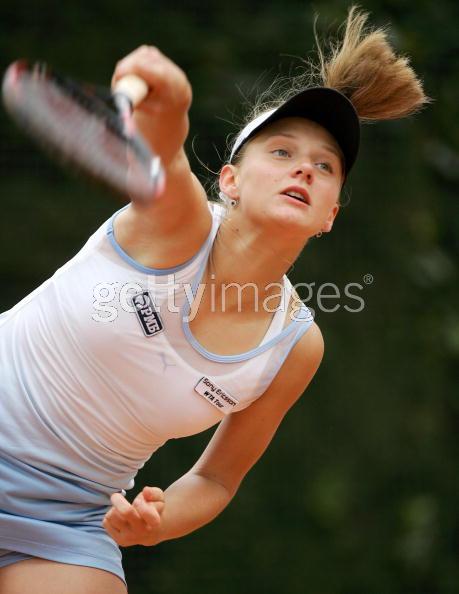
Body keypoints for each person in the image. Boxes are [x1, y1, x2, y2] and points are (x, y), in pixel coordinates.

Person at [0, 7, 429, 593]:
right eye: (281, 152)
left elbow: (218, 479)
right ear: (229, 180)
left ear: (330, 213)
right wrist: (171, 107)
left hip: (71, 514)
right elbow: (163, 150)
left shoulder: (295, 346)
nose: (304, 166)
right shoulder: (175, 223)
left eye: (324, 166)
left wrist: (157, 520)